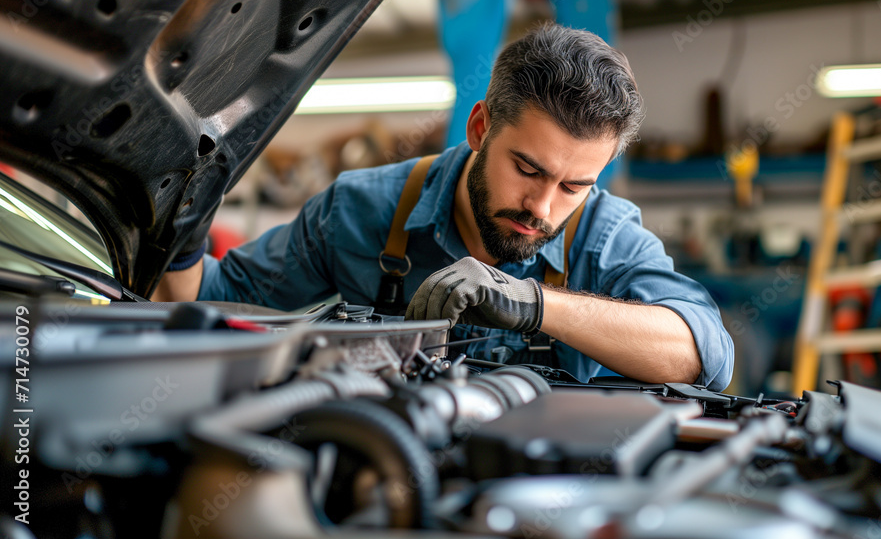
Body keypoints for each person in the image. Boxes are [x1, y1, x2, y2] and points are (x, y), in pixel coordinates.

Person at [152, 23, 734, 390]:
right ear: (480, 128)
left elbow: (705, 354)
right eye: (527, 169)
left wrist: (533, 303)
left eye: (573, 185)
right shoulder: (357, 211)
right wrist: (180, 221)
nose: (542, 206)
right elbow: (212, 301)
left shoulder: (603, 236)